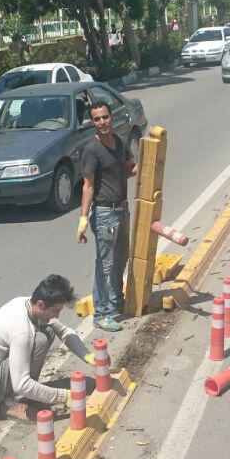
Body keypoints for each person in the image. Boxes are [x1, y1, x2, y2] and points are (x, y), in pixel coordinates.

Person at [0, 275, 90, 411]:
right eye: (56, 311)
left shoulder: (26, 303)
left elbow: (63, 331)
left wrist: (87, 356)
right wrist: (63, 396)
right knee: (36, 340)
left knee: (47, 331)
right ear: (40, 305)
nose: (57, 316)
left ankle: (26, 394)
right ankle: (12, 401)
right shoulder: (22, 330)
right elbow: (21, 384)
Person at [77, 99, 137, 331]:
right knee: (105, 263)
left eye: (105, 117)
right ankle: (101, 313)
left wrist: (153, 159)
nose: (102, 122)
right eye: (97, 119)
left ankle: (115, 300)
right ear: (92, 122)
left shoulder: (119, 142)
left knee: (121, 257)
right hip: (104, 213)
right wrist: (83, 219)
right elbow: (88, 186)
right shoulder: (92, 150)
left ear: (111, 117)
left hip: (122, 209)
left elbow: (129, 168)